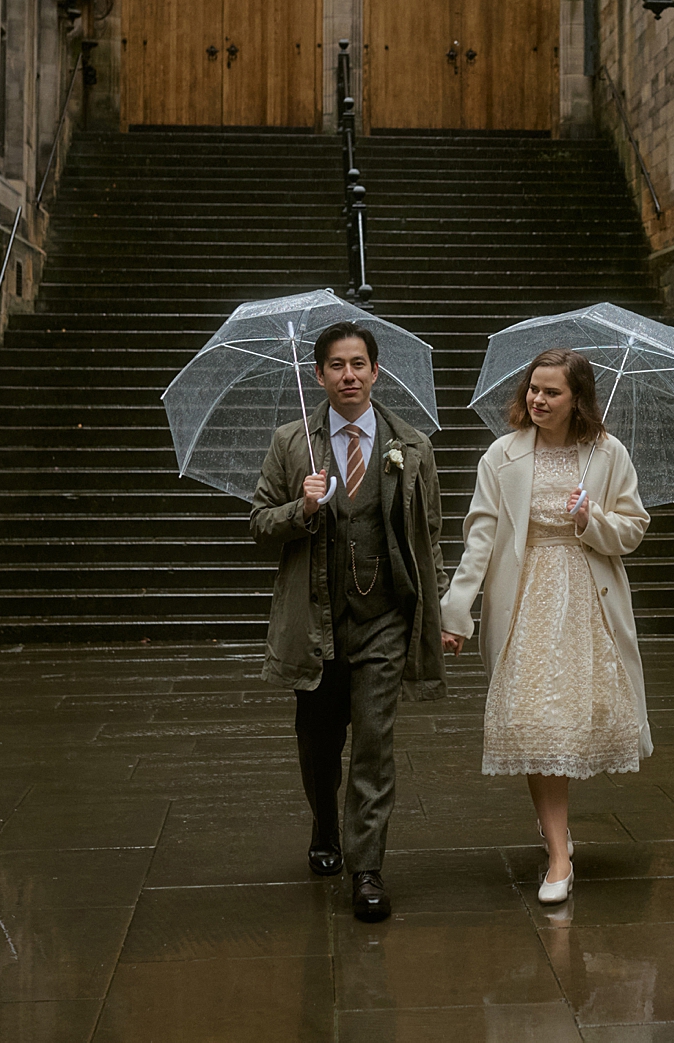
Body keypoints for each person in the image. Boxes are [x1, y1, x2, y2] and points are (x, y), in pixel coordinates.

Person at [439, 348, 651, 905]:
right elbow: (480, 537)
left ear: (577, 398)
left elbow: (632, 528)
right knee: (535, 721)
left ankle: (554, 838)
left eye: (551, 392)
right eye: (533, 388)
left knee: (574, 719)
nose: (537, 399)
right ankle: (559, 853)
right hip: (526, 600)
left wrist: (591, 520)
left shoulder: (609, 454)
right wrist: (456, 611)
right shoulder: (501, 456)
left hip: (587, 602)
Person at [249, 321, 445, 923]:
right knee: (319, 741)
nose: (349, 376)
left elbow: (429, 538)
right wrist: (301, 508)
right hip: (317, 621)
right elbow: (259, 523)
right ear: (319, 375)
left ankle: (367, 869)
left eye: (359, 364)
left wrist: (439, 612)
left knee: (374, 744)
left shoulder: (410, 445)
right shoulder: (291, 443)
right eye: (337, 366)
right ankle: (323, 822)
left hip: (384, 618)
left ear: (376, 372)